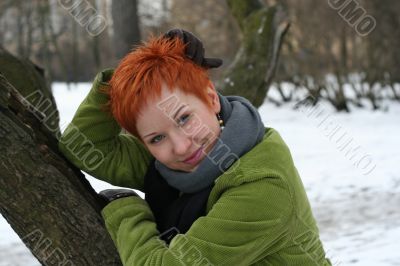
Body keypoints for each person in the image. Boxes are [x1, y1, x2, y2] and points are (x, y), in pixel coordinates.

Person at [58, 29, 332, 265]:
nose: (181, 146)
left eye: (185, 118)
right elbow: (82, 145)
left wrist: (125, 211)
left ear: (211, 98)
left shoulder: (264, 186)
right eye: (156, 138)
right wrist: (132, 77)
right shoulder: (168, 167)